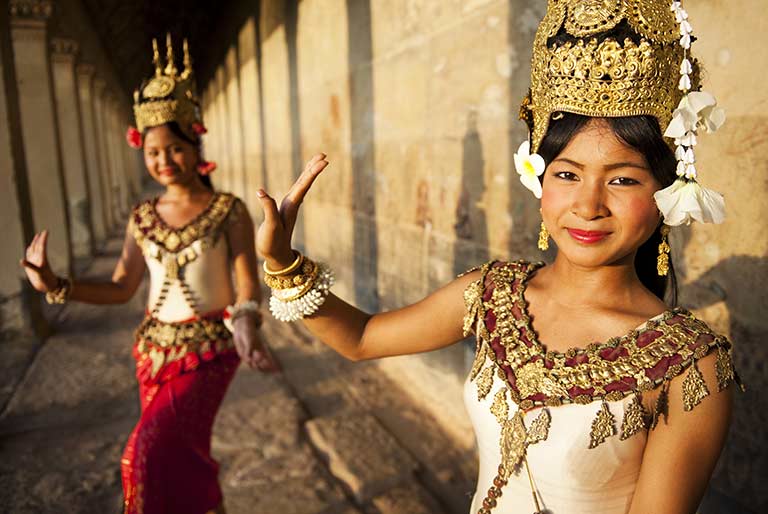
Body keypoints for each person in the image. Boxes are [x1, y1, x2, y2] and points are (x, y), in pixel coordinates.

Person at [254, 1, 740, 513]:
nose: (588, 205)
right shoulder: (492, 295)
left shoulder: (691, 364)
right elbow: (360, 338)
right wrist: (284, 263)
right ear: (540, 180)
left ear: (667, 191)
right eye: (567, 174)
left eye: (622, 179)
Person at [20, 35, 278, 514]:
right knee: (184, 455)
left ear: (194, 144)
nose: (164, 161)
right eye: (153, 152)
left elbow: (246, 277)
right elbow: (121, 288)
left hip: (209, 351)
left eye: (175, 148)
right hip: (152, 353)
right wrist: (57, 285)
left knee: (142, 455)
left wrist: (246, 319)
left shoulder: (228, 209)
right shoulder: (141, 216)